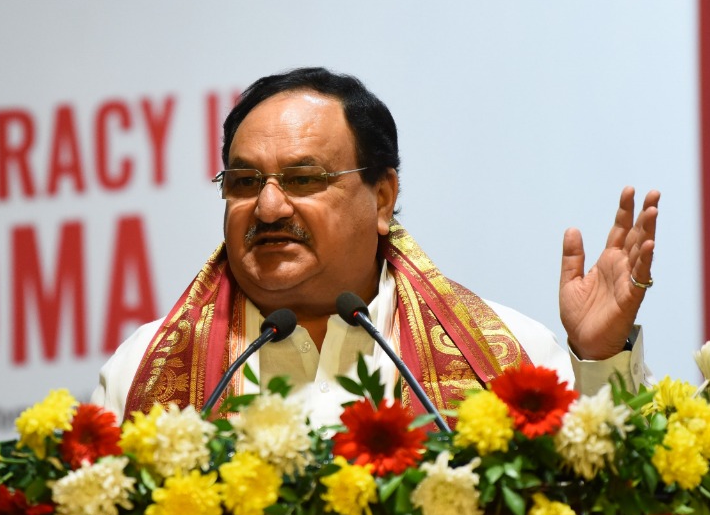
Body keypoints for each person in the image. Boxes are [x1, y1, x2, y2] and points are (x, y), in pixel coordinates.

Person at [94, 67, 659, 425]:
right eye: (244, 183)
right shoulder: (141, 370)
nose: (267, 208)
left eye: (303, 178)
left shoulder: (508, 357)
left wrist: (602, 359)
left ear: (383, 198)